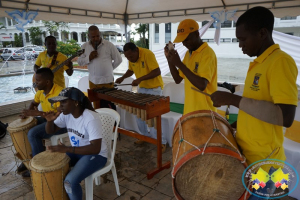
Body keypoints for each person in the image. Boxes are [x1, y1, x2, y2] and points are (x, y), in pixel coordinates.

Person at [210, 7, 298, 199]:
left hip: (267, 166)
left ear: (262, 33)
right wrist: (235, 126)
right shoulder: (259, 63)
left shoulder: (280, 62)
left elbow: (286, 117)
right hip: (250, 158)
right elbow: (256, 109)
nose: (240, 45)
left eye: (243, 39)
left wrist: (231, 99)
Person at [44, 87, 106, 200]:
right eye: (60, 102)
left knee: (70, 182)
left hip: (97, 155)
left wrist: (67, 149)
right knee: (53, 167)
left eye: (64, 102)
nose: (60, 106)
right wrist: (49, 121)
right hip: (78, 151)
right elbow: (50, 131)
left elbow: (95, 148)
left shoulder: (90, 118)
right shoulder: (66, 114)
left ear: (76, 102)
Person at [115, 42, 167, 151]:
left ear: (136, 51)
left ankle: (161, 142)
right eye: (127, 57)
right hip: (142, 88)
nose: (130, 59)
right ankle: (144, 136)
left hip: (154, 89)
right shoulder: (131, 58)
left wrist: (139, 79)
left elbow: (157, 71)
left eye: (131, 56)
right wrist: (123, 77)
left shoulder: (147, 54)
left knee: (153, 117)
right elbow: (131, 70)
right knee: (139, 115)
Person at [18, 68, 67, 177]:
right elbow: (33, 103)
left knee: (33, 133)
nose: (35, 83)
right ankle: (28, 159)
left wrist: (38, 113)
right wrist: (28, 113)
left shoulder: (60, 93)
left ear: (47, 82)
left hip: (60, 124)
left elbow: (58, 116)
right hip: (48, 120)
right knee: (26, 126)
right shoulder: (40, 92)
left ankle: (38, 166)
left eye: (38, 81)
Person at [164, 19, 218, 115]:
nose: (184, 43)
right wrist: (170, 59)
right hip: (190, 111)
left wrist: (179, 64)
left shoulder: (207, 54)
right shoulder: (188, 54)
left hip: (205, 112)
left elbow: (202, 85)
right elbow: (177, 79)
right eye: (182, 41)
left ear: (197, 34)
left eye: (187, 39)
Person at [77, 25, 122, 109]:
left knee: (110, 106)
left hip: (107, 81)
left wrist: (109, 69)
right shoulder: (84, 46)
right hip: (93, 82)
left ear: (100, 34)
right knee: (97, 107)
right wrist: (89, 58)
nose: (96, 38)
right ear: (88, 36)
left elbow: (118, 59)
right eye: (93, 37)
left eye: (97, 36)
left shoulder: (109, 45)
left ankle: (113, 122)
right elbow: (79, 62)